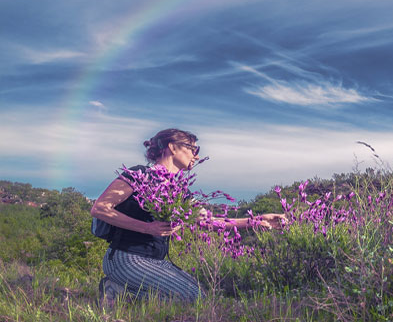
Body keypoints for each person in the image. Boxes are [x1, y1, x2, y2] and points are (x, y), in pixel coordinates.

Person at [91, 128, 285, 304]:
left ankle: (122, 290)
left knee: (203, 295)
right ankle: (116, 290)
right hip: (125, 257)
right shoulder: (139, 175)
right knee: (192, 298)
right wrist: (147, 228)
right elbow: (100, 208)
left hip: (155, 260)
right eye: (192, 148)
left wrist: (256, 221)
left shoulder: (180, 191)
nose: (196, 155)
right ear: (172, 147)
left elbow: (206, 221)